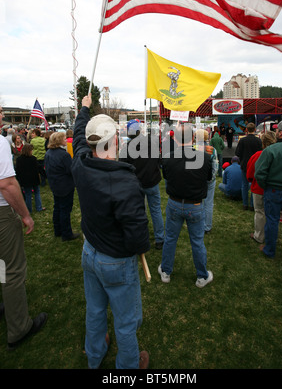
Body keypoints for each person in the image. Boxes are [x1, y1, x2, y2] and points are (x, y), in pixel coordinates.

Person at [71, 94, 150, 369]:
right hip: (115, 260)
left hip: (90, 252)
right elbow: (138, 235)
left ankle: (94, 356)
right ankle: (127, 368)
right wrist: (139, 247)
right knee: (126, 322)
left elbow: (79, 135)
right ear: (115, 140)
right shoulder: (125, 181)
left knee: (95, 311)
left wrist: (83, 108)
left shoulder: (80, 162)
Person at [0, 105, 47, 350]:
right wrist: (25, 215)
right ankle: (19, 328)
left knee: (1, 265)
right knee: (12, 270)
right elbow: (7, 184)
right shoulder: (0, 143)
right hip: (3, 214)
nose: (2, 116)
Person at [159, 124, 213, 288]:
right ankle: (199, 275)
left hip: (178, 203)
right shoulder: (204, 158)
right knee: (196, 241)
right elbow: (208, 179)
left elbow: (167, 177)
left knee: (171, 239)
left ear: (175, 138)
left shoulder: (169, 158)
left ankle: (167, 271)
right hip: (191, 204)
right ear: (193, 138)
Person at [255, 119, 282, 262]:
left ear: (280, 133)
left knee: (272, 220)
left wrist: (265, 186)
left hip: (274, 190)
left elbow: (259, 173)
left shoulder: (270, 150)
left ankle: (270, 250)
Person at [120, 119, 165, 250]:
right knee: (152, 210)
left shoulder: (128, 147)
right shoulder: (150, 142)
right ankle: (158, 238)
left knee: (143, 211)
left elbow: (123, 168)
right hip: (145, 183)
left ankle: (157, 239)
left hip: (142, 183)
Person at [44, 131, 79, 242]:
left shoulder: (49, 152)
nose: (66, 140)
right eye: (64, 138)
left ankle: (57, 230)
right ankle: (66, 233)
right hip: (65, 186)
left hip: (55, 184)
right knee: (65, 210)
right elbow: (71, 170)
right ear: (59, 140)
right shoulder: (64, 155)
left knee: (57, 207)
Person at [246, 131, 277, 244]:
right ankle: (271, 236)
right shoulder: (280, 154)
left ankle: (259, 235)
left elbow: (250, 174)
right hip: (275, 188)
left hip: (259, 189)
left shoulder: (258, 155)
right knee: (273, 213)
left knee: (260, 212)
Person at [235, 122, 262, 210]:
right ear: (255, 130)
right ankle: (252, 204)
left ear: (246, 130)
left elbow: (237, 153)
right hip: (255, 165)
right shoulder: (258, 140)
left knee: (244, 184)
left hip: (244, 164)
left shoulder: (242, 140)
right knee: (253, 184)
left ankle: (245, 204)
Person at [196, 129, 218, 234]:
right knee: (208, 203)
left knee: (197, 202)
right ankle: (207, 226)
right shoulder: (212, 149)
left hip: (196, 179)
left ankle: (197, 224)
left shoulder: (193, 149)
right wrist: (211, 178)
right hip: (209, 179)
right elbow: (215, 166)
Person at [15, 143, 45, 214]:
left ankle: (29, 210)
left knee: (28, 194)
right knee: (36, 192)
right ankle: (39, 207)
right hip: (34, 178)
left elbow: (17, 170)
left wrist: (18, 179)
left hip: (25, 180)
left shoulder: (19, 160)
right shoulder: (33, 159)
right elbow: (38, 168)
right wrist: (44, 174)